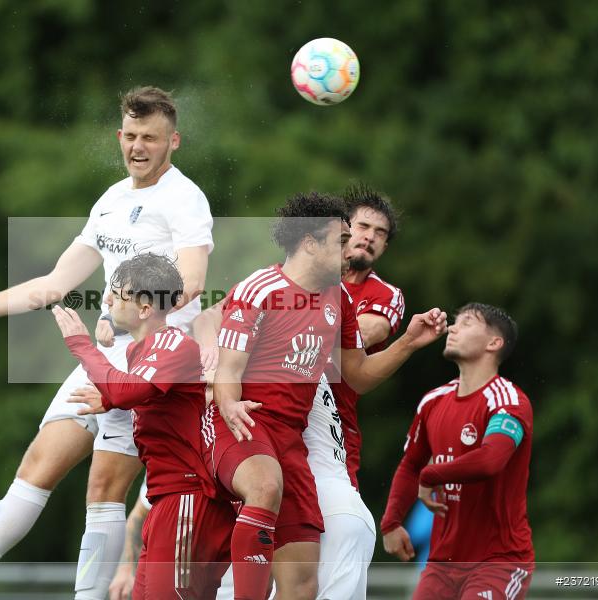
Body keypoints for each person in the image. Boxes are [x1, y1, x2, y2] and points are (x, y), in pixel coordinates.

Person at [0, 87, 214, 600]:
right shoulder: (113, 201)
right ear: (120, 136)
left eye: (151, 138)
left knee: (103, 489)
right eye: (131, 136)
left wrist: (127, 318)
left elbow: (194, 278)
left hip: (151, 365)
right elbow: (54, 282)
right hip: (102, 355)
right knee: (37, 465)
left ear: (174, 141)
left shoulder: (185, 199)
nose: (138, 147)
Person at [206, 192, 447, 600]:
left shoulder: (345, 302)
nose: (355, 244)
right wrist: (226, 401)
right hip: (245, 424)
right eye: (345, 237)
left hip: (294, 441)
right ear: (310, 242)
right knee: (265, 493)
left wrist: (407, 342)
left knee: (302, 584)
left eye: (374, 234)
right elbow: (226, 365)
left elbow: (357, 375)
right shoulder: (261, 288)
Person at [52, 253, 233, 599]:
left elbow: (128, 390)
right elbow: (149, 396)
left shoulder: (173, 342)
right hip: (167, 500)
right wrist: (109, 399)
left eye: (117, 294)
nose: (106, 300)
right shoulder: (144, 352)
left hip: (189, 498)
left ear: (146, 308)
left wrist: (81, 346)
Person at [381, 303, 534, 599]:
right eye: (454, 323)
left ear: (494, 343)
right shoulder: (433, 401)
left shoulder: (508, 400)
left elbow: (491, 460)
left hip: (498, 561)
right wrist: (391, 522)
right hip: (442, 564)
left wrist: (432, 473)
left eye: (466, 323)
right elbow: (411, 465)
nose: (452, 328)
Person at [332, 181, 405, 489]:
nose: (370, 237)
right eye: (363, 226)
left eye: (380, 233)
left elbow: (357, 333)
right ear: (343, 229)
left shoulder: (385, 295)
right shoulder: (297, 274)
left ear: (384, 247)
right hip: (270, 410)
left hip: (333, 421)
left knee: (337, 524)